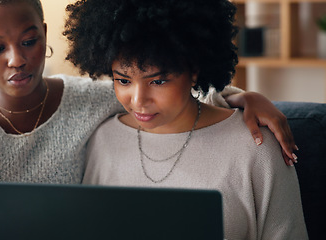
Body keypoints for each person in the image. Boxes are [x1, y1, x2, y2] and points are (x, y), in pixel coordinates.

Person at [0, 0, 299, 239]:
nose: (17, 59)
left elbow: (185, 88)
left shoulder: (90, 103)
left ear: (44, 34)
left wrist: (241, 96)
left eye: (28, 40)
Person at [63, 0, 308, 239]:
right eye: (123, 80)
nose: (138, 100)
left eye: (157, 81)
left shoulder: (255, 146)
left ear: (194, 71)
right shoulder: (103, 140)